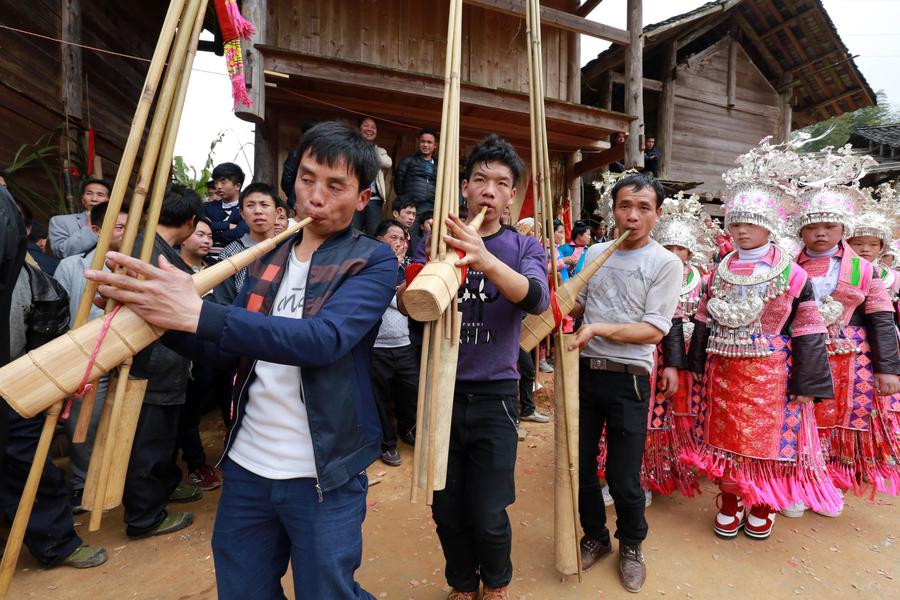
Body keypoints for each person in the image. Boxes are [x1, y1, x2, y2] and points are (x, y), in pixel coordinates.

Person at [86, 121, 396, 599]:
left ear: (361, 199)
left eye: (335, 186)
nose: (315, 196)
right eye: (308, 178)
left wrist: (199, 314)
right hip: (248, 466)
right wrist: (159, 319)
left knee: (328, 593)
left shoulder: (372, 261)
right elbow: (226, 348)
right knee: (243, 591)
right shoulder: (264, 257)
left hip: (323, 473)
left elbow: (324, 339)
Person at [403, 134, 550, 600]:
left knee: (488, 510)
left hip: (495, 396)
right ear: (464, 186)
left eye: (501, 182)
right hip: (441, 392)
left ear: (512, 196)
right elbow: (414, 306)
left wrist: (484, 260)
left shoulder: (524, 246)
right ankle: (462, 584)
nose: (489, 189)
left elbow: (537, 298)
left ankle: (497, 582)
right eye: (480, 179)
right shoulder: (436, 239)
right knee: (446, 508)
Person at [685, 140, 838, 544]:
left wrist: (809, 383)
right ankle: (731, 501)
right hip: (723, 372)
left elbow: (808, 329)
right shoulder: (718, 271)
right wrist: (695, 367)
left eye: (750, 223)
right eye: (736, 223)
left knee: (768, 446)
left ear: (769, 226)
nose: (741, 230)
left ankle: (765, 503)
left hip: (773, 376)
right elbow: (702, 319)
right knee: (724, 441)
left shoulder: (793, 275)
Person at [567, 173, 682, 593]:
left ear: (657, 215)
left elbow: (654, 330)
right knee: (579, 468)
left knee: (623, 476)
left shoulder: (666, 263)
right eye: (624, 207)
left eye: (643, 208)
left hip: (630, 380)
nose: (632, 216)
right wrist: (562, 300)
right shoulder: (595, 252)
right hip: (585, 372)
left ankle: (631, 544)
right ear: (612, 210)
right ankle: (595, 536)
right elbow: (581, 303)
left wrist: (595, 328)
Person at [1, 187, 106, 569]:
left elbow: (50, 324)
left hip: (15, 381)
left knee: (29, 463)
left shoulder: (29, 272)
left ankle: (55, 542)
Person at [788, 182, 900, 516]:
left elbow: (881, 320)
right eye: (812, 227)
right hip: (799, 355)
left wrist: (888, 368)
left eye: (829, 227)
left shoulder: (864, 270)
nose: (820, 234)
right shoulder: (787, 265)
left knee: (838, 425)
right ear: (801, 231)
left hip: (849, 361)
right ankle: (795, 483)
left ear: (843, 229)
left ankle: (829, 486)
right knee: (797, 418)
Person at [122, 184, 205, 539]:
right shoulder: (155, 256)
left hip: (163, 363)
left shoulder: (149, 247)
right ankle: (144, 517)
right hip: (150, 365)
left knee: (163, 436)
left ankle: (166, 486)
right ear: (190, 221)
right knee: (148, 442)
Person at [54, 200, 129, 511]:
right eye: (121, 226)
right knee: (84, 424)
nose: (128, 232)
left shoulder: (140, 266)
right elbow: (59, 314)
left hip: (127, 356)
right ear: (97, 230)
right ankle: (83, 484)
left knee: (127, 423)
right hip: (85, 358)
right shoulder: (71, 267)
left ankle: (123, 483)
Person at [176, 217, 222, 491]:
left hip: (219, 352)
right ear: (183, 237)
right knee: (189, 414)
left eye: (210, 236)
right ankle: (196, 464)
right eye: (200, 234)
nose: (206, 240)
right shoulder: (174, 271)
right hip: (187, 356)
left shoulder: (217, 270)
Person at [370, 220, 418, 466]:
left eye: (402, 239)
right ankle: (386, 444)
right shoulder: (370, 267)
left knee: (410, 391)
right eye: (393, 238)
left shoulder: (410, 267)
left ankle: (407, 430)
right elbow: (378, 298)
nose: (399, 243)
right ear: (379, 241)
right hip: (377, 347)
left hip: (404, 343)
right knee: (378, 398)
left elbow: (414, 302)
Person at [211, 182, 281, 305]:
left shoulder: (290, 248)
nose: (258, 211)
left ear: (278, 212)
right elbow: (223, 305)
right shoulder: (230, 254)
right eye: (250, 205)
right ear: (242, 214)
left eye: (264, 205)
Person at [48, 177, 111, 258]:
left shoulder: (120, 222)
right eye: (89, 193)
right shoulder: (60, 221)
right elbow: (61, 252)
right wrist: (89, 228)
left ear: (109, 200)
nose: (94, 199)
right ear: (82, 199)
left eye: (100, 195)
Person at [353, 117, 393, 236]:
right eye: (366, 125)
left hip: (374, 199)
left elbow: (388, 163)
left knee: (374, 233)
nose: (369, 129)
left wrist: (367, 153)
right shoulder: (351, 147)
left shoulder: (379, 150)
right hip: (355, 196)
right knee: (353, 232)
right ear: (359, 128)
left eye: (373, 127)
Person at [204, 162, 247, 256]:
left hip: (236, 262)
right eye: (216, 182)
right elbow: (201, 229)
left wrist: (214, 232)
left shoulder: (246, 208)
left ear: (237, 186)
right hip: (205, 261)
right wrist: (227, 226)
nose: (218, 186)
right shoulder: (207, 207)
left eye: (223, 182)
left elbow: (240, 233)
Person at [394, 128, 438, 217]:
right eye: (423, 141)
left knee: (428, 231)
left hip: (431, 207)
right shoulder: (408, 160)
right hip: (411, 206)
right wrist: (406, 201)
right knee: (411, 231)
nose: (425, 145)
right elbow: (398, 183)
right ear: (419, 143)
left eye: (429, 142)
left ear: (435, 145)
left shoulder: (439, 165)